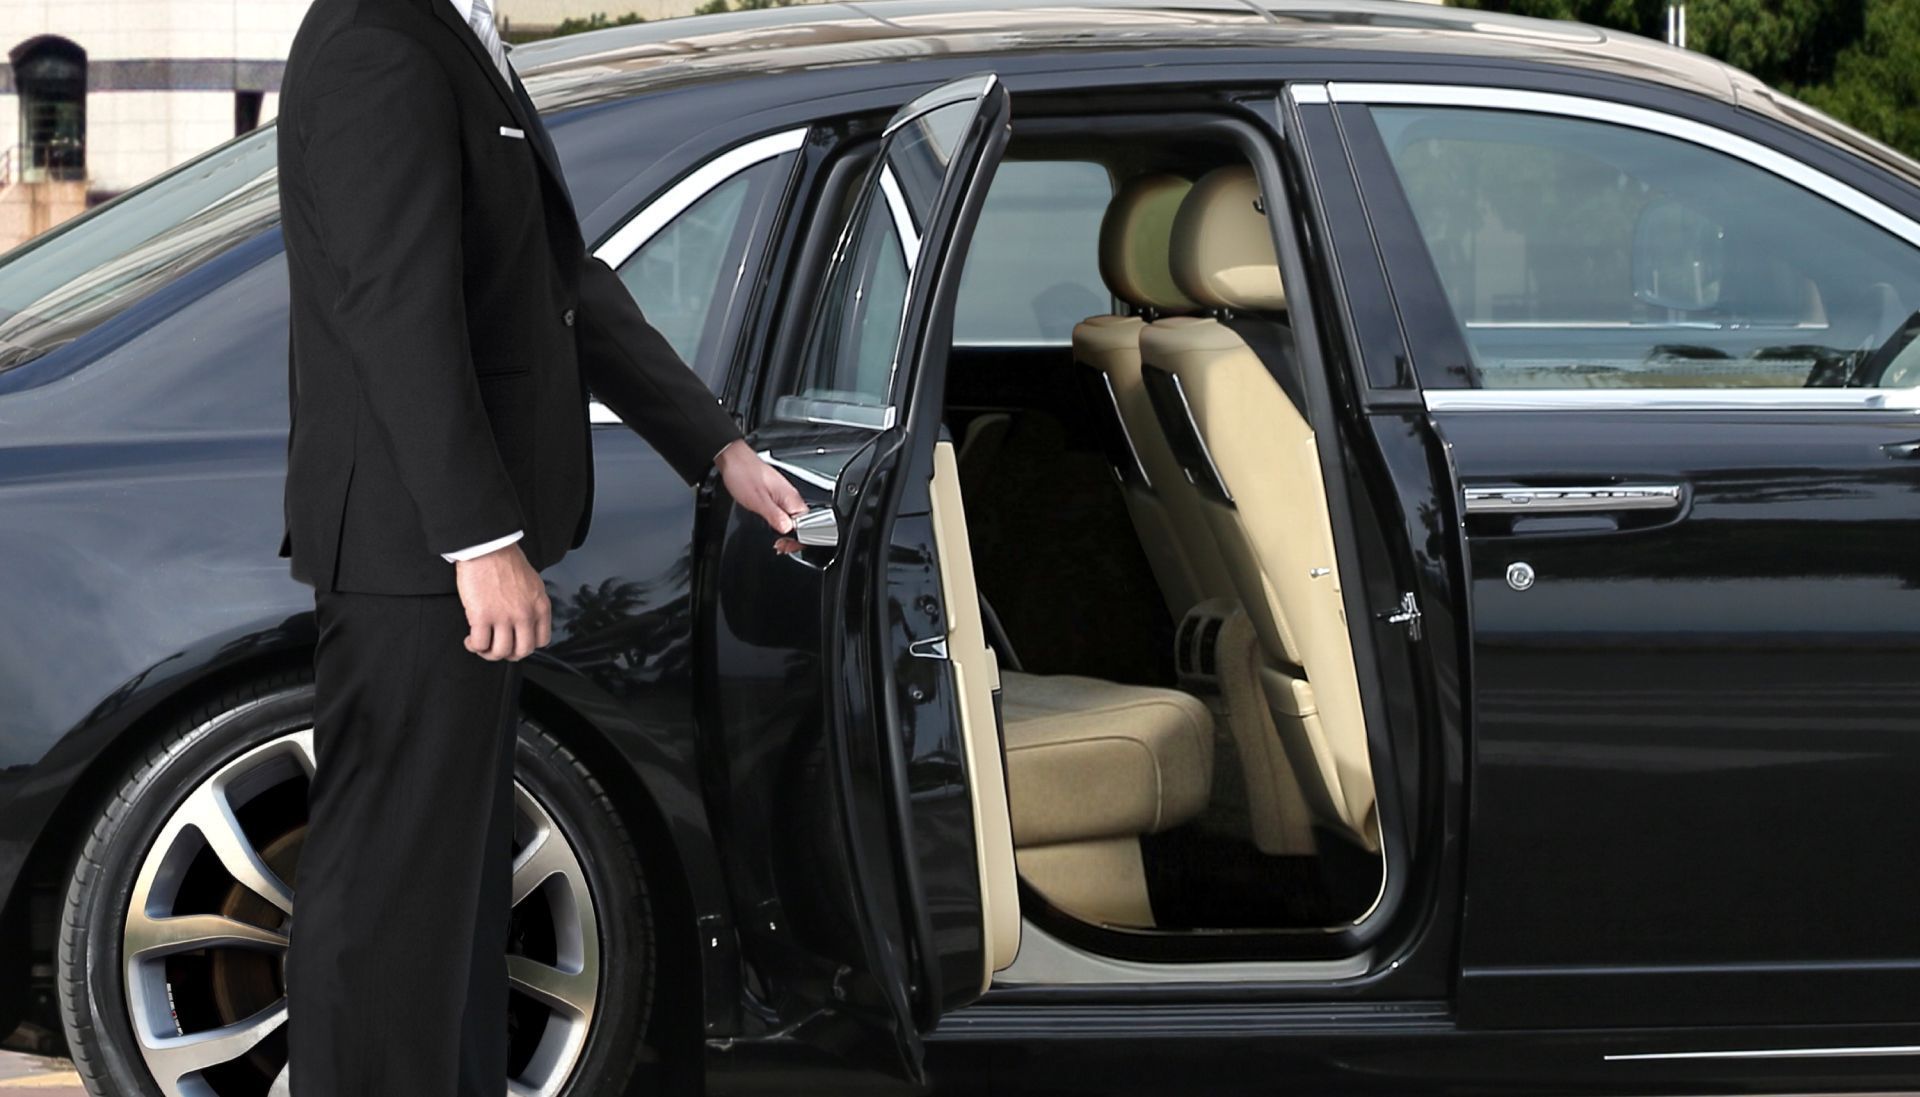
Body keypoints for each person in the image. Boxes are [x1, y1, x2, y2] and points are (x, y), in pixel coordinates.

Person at [272, 0, 806, 1092]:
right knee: (393, 893)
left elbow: (558, 283)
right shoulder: (381, 40)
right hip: (413, 552)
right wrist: (478, 538)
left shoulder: (449, 32)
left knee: (451, 894)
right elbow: (397, 308)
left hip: (431, 549)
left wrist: (716, 446)